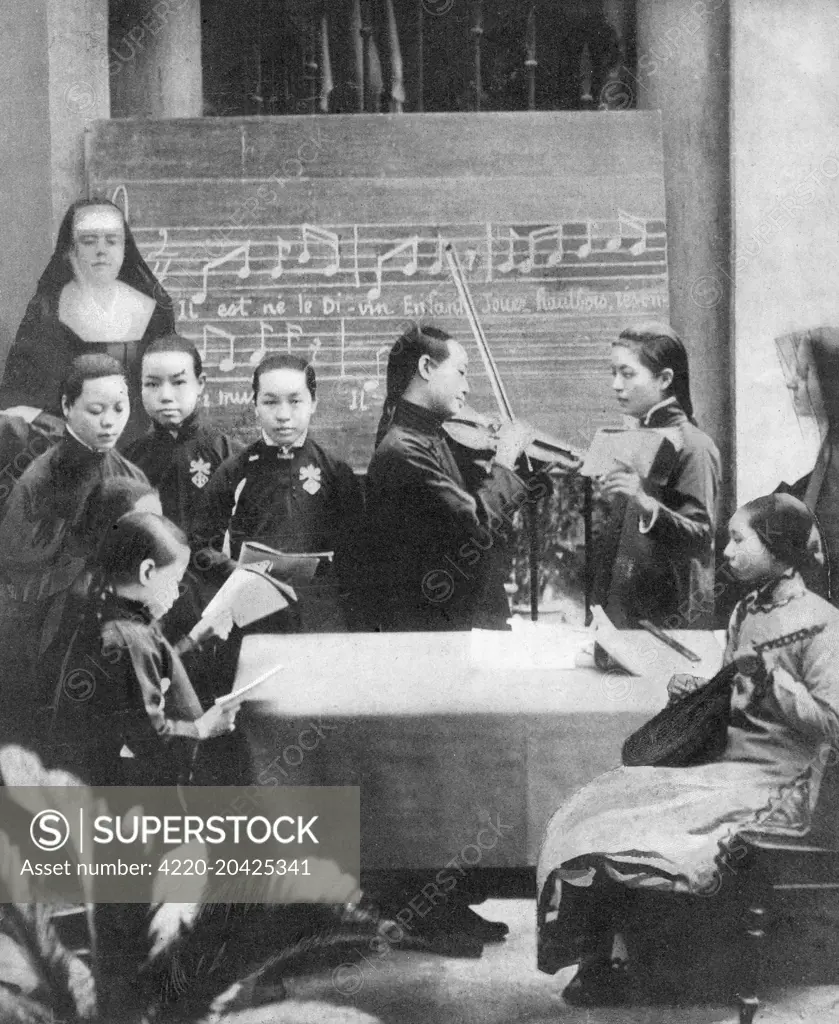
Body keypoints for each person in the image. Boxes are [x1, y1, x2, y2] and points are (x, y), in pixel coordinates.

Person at [537, 493, 839, 1005]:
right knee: (603, 801)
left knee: (634, 827)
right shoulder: (746, 608)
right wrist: (703, 689)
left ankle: (628, 964)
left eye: (740, 539)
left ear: (778, 547)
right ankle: (602, 956)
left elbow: (831, 724)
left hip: (783, 784)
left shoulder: (824, 624)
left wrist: (772, 681)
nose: (726, 551)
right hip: (730, 767)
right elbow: (737, 695)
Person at [0, 354, 148, 742]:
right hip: (47, 638)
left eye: (120, 408)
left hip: (114, 631)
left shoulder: (131, 474)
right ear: (67, 407)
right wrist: (85, 550)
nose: (110, 421)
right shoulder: (39, 481)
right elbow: (19, 572)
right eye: (96, 410)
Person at [362, 322, 540, 631]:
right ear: (426, 367)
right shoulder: (404, 450)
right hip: (436, 628)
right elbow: (477, 527)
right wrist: (506, 460)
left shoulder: (425, 435)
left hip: (449, 618)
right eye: (461, 372)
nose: (467, 387)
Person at [47, 511, 238, 788]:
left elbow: (134, 679)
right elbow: (148, 736)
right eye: (174, 580)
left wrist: (193, 639)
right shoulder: (132, 635)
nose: (176, 592)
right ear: (147, 571)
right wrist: (203, 727)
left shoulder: (104, 609)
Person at [191, 353, 363, 633]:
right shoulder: (236, 471)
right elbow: (199, 545)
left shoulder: (335, 472)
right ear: (255, 406)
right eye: (270, 402)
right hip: (252, 612)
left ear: (313, 403)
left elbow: (357, 552)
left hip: (319, 616)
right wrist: (235, 571)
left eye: (295, 401)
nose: (283, 415)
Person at [0, 196, 174, 458]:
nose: (101, 251)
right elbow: (20, 394)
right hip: (67, 451)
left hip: (141, 452)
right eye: (89, 241)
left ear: (125, 248)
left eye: (112, 240)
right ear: (70, 250)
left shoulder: (154, 312)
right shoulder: (47, 313)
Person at [592, 322, 721, 629]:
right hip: (627, 615)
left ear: (664, 379)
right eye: (613, 373)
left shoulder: (694, 445)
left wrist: (643, 501)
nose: (616, 385)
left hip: (668, 620)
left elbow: (701, 536)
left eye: (627, 373)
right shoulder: (638, 436)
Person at [125, 334, 237, 537]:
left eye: (178, 382)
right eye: (152, 384)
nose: (166, 396)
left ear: (200, 383)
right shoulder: (130, 459)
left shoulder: (230, 455)